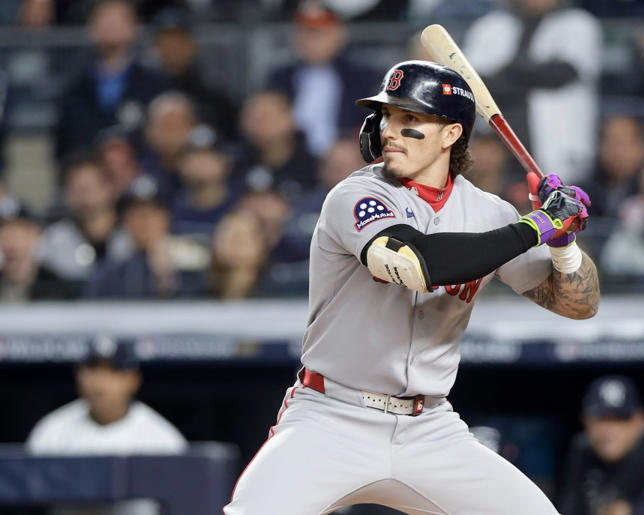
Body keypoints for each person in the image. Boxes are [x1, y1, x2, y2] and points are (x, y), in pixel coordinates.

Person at [225, 60, 598, 514]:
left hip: (429, 427)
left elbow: (579, 305)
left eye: (410, 119)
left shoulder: (491, 214)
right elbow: (418, 262)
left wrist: (563, 243)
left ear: (451, 135)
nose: (390, 131)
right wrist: (537, 225)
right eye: (387, 117)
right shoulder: (357, 195)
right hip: (331, 417)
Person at [27, 338, 187, 515]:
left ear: (133, 379)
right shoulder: (52, 431)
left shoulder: (162, 438)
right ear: (79, 374)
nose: (100, 382)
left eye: (113, 370)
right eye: (93, 369)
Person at [463, 0, 601, 183]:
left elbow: (561, 74)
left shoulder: (580, 24)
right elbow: (472, 81)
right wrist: (529, 73)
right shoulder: (490, 25)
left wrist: (507, 74)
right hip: (497, 148)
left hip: (555, 148)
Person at [55, 0, 169, 160]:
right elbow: (65, 143)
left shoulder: (154, 84)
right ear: (91, 28)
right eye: (103, 19)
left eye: (117, 19)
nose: (110, 25)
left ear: (134, 27)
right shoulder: (75, 88)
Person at [266, 0, 379, 156]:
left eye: (321, 33)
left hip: (347, 159)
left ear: (340, 34)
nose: (312, 41)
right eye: (306, 32)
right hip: (292, 157)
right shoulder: (279, 78)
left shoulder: (363, 77)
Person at [558, 375, 644, 515]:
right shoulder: (581, 454)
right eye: (602, 419)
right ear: (586, 421)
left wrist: (622, 500)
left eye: (620, 419)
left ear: (640, 421)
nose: (611, 430)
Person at [38, 154, 133, 282]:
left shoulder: (132, 235)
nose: (82, 196)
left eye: (88, 187)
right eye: (75, 188)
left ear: (109, 188)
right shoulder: (53, 239)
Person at [150, 7, 238, 139]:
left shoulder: (213, 97)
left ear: (191, 45)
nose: (172, 49)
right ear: (157, 47)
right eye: (166, 42)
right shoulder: (145, 91)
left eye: (179, 42)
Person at [232, 90, 319, 202]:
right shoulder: (233, 164)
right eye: (251, 117)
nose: (257, 124)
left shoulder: (314, 169)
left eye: (266, 117)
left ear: (290, 119)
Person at [0, 205, 78, 302]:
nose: (11, 244)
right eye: (4, 236)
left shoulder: (56, 288)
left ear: (36, 236)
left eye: (18, 236)